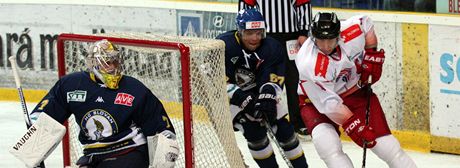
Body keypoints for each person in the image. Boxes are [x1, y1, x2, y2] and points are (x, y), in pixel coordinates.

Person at [29, 39, 179, 167]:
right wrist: (36, 122)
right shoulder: (72, 85)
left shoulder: (134, 88)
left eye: (114, 61)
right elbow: (46, 113)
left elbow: (159, 125)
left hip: (129, 151)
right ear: (94, 63)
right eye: (107, 62)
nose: (112, 66)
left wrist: (165, 143)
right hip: (93, 155)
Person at [295, 12, 417, 168]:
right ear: (313, 37)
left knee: (388, 148)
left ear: (338, 34)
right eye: (321, 40)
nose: (326, 46)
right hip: (316, 102)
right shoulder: (308, 62)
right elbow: (329, 104)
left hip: (357, 94)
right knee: (328, 147)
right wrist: (354, 125)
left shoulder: (351, 30)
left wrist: (371, 53)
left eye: (331, 40)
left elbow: (366, 23)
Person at [217, 8, 309, 168]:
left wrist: (267, 96)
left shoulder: (272, 47)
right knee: (254, 132)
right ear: (239, 31)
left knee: (284, 130)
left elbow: (274, 76)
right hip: (231, 97)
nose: (255, 38)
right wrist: (240, 96)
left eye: (259, 33)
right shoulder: (223, 45)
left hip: (261, 91)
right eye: (249, 33)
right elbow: (214, 79)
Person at [239, 0, 312, 135]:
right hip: (264, 37)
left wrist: (303, 31)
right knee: (265, 78)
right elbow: (246, 5)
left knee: (294, 81)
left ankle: (298, 121)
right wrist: (247, 31)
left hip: (291, 37)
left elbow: (303, 4)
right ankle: (262, 117)